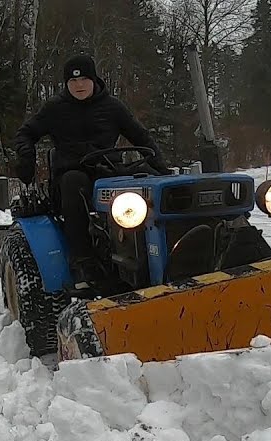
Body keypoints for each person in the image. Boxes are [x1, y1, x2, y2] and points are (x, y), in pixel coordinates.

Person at [13, 54, 169, 279]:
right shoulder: (55, 108)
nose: (78, 85)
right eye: (73, 81)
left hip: (109, 172)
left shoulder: (112, 107)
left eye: (84, 80)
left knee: (148, 178)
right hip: (71, 174)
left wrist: (161, 169)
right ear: (66, 84)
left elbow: (141, 137)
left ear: (94, 80)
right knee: (74, 182)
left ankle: (162, 251)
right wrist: (26, 156)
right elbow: (25, 133)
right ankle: (82, 259)